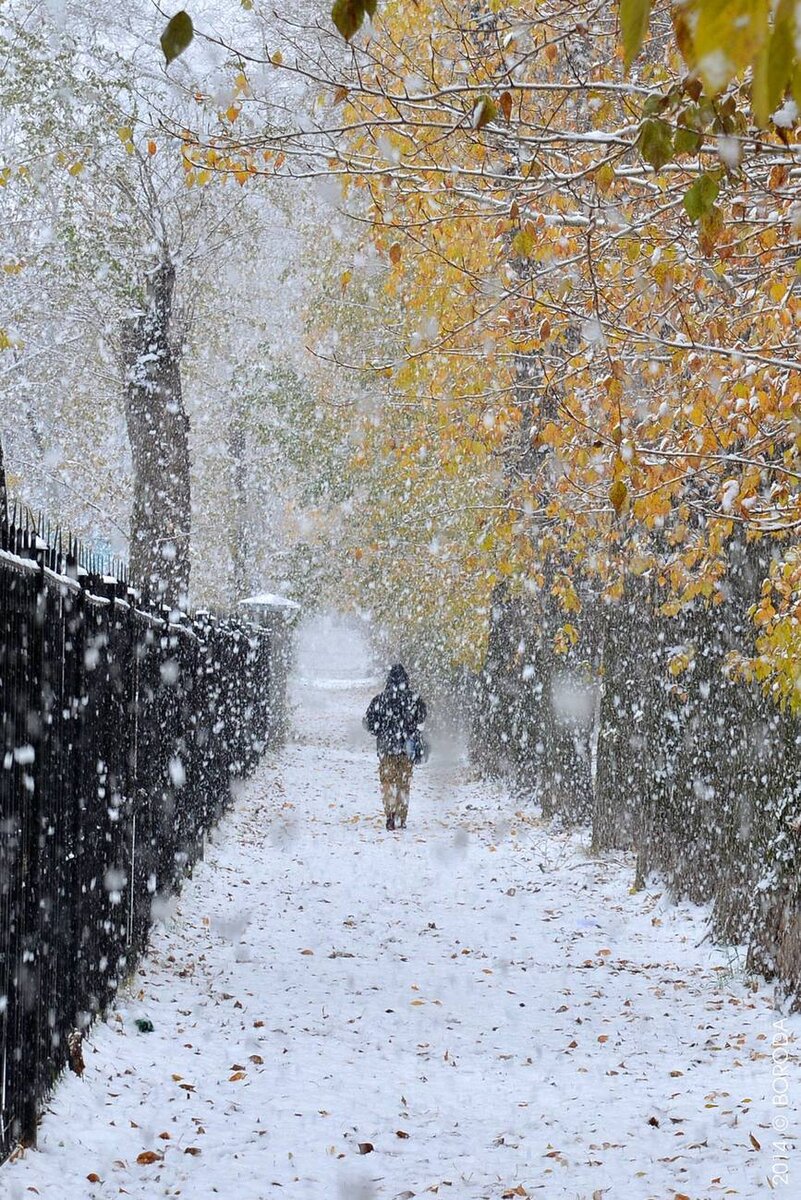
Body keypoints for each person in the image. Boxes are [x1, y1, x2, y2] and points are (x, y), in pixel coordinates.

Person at [364, 664, 427, 830]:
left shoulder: (380, 700)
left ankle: (390, 814)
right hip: (407, 748)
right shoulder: (414, 699)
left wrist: (382, 730)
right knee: (404, 784)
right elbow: (421, 719)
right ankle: (401, 816)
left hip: (386, 749)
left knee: (388, 782)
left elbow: (370, 724)